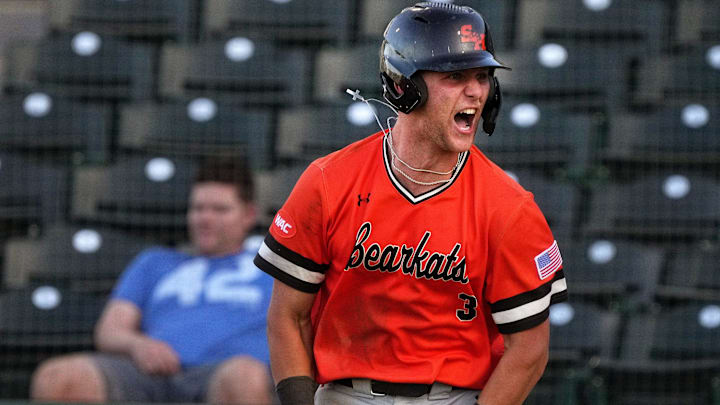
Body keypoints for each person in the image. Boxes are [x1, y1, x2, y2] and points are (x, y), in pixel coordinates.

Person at [253, 2, 569, 405]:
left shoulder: (509, 207)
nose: (475, 91)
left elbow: (528, 350)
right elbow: (288, 316)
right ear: (405, 85)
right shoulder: (328, 182)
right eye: (455, 75)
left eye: (483, 76)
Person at [30, 158, 275, 405]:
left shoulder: (271, 269)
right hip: (150, 376)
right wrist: (138, 345)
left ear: (248, 215)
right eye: (198, 208)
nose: (205, 219)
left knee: (244, 376)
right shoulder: (154, 262)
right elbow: (109, 331)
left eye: (220, 210)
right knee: (58, 377)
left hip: (223, 375)